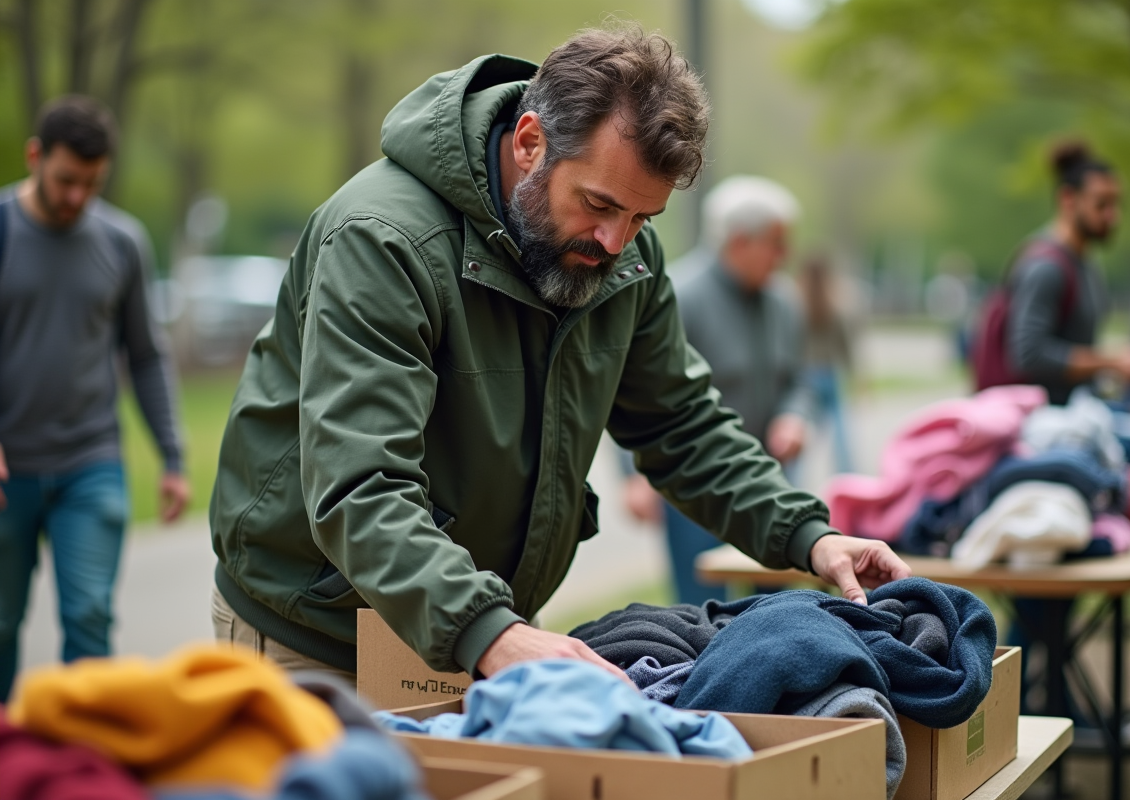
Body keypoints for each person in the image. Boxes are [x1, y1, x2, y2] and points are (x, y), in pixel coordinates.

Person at [208, 27, 911, 685]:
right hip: (322, 639)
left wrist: (808, 535)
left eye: (642, 217)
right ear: (529, 141)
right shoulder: (382, 239)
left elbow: (682, 426)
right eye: (599, 204)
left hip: (482, 630)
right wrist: (490, 631)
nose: (615, 241)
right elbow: (362, 484)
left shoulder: (624, 255)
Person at [0, 96, 190, 701]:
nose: (77, 196)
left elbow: (146, 355)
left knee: (89, 617)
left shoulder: (122, 242)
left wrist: (172, 456)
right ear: (35, 156)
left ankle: (83, 751)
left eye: (92, 183)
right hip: (8, 469)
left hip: (91, 462)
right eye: (65, 180)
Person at [622, 175, 811, 605]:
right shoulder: (676, 295)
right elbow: (635, 390)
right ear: (739, 241)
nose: (785, 256)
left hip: (767, 478)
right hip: (694, 482)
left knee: (777, 605)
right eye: (776, 243)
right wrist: (634, 476)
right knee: (701, 607)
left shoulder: (784, 303)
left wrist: (795, 415)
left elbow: (799, 380)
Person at [1005, 141, 1130, 404]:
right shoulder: (1045, 267)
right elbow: (1029, 354)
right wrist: (1111, 362)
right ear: (1068, 199)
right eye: (1102, 204)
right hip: (1043, 419)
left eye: (1116, 204)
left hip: (1078, 409)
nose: (1113, 216)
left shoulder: (1085, 262)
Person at [798, 253, 855, 477]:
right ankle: (846, 473)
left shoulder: (797, 305)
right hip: (829, 372)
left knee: (801, 428)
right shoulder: (835, 306)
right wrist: (856, 376)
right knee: (840, 428)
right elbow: (846, 346)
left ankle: (793, 476)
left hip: (807, 373)